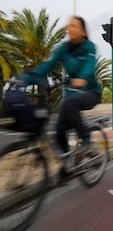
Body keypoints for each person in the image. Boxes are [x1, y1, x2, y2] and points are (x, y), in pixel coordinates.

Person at [25, 16, 102, 156]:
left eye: (74, 26)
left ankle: (86, 140)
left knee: (70, 103)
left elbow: (90, 65)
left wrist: (82, 78)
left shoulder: (89, 47)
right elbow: (49, 64)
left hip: (91, 92)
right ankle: (67, 163)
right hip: (72, 92)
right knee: (59, 130)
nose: (69, 29)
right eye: (68, 26)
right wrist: (29, 77)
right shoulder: (63, 48)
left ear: (83, 31)